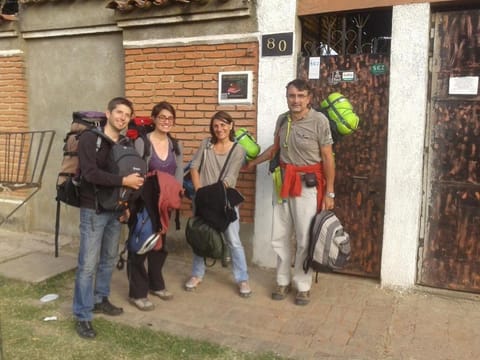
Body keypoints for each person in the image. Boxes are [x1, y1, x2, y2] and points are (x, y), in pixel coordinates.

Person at [247, 79, 335, 305]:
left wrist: (330, 193)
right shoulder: (282, 119)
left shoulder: (319, 121)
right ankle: (282, 280)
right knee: (280, 235)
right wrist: (252, 163)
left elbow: (327, 157)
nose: (295, 100)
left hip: (308, 186)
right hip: (283, 183)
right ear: (286, 97)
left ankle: (302, 285)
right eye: (291, 96)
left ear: (309, 98)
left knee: (305, 238)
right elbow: (275, 149)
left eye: (300, 96)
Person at [73, 97, 145, 339]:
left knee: (108, 259)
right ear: (108, 113)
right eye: (119, 112)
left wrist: (126, 205)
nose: (123, 118)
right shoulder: (89, 139)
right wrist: (124, 182)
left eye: (127, 114)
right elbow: (91, 174)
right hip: (93, 209)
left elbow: (128, 174)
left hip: (116, 209)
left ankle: (100, 299)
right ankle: (83, 315)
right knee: (87, 265)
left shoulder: (126, 142)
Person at [185, 111, 252, 298]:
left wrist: (208, 195)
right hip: (203, 200)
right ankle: (197, 274)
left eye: (223, 125)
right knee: (201, 236)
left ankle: (242, 278)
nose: (219, 129)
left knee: (233, 240)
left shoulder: (238, 150)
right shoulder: (206, 145)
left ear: (231, 125)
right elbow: (193, 167)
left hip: (225, 202)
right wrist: (199, 191)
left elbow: (230, 179)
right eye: (216, 126)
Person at [127, 101, 183, 311]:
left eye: (170, 118)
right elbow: (136, 171)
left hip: (164, 204)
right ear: (154, 119)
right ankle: (137, 293)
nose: (166, 122)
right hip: (144, 201)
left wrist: (175, 196)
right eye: (162, 118)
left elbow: (178, 172)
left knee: (159, 245)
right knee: (140, 244)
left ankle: (156, 285)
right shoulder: (143, 143)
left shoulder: (175, 145)